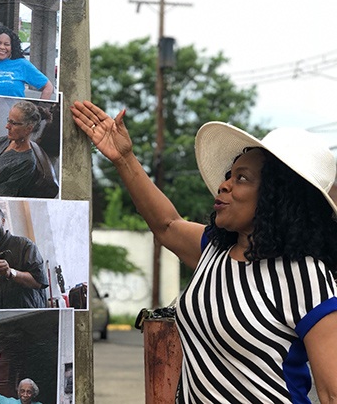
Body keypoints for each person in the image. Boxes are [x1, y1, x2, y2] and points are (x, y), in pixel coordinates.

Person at [70, 100, 337, 403]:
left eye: (242, 178)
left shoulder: (304, 274)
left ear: (279, 197)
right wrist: (123, 158)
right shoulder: (214, 251)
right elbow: (167, 224)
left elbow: (332, 392)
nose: (224, 185)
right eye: (229, 174)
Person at [0, 203, 48, 309]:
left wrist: (11, 273)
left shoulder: (25, 245)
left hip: (27, 315)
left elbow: (39, 282)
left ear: (3, 221)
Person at [0, 26, 54, 99]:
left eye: (6, 44)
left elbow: (48, 87)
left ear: (12, 47)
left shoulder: (22, 64)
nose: (2, 47)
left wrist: (42, 107)